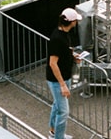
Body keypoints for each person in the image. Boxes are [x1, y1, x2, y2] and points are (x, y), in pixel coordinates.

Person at [46, 8, 81, 139]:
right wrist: (62, 85)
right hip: (57, 81)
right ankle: (57, 137)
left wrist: (73, 56)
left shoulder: (63, 34)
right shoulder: (57, 38)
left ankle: (53, 132)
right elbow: (53, 63)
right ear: (71, 22)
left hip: (63, 77)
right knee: (64, 112)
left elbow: (64, 52)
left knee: (57, 105)